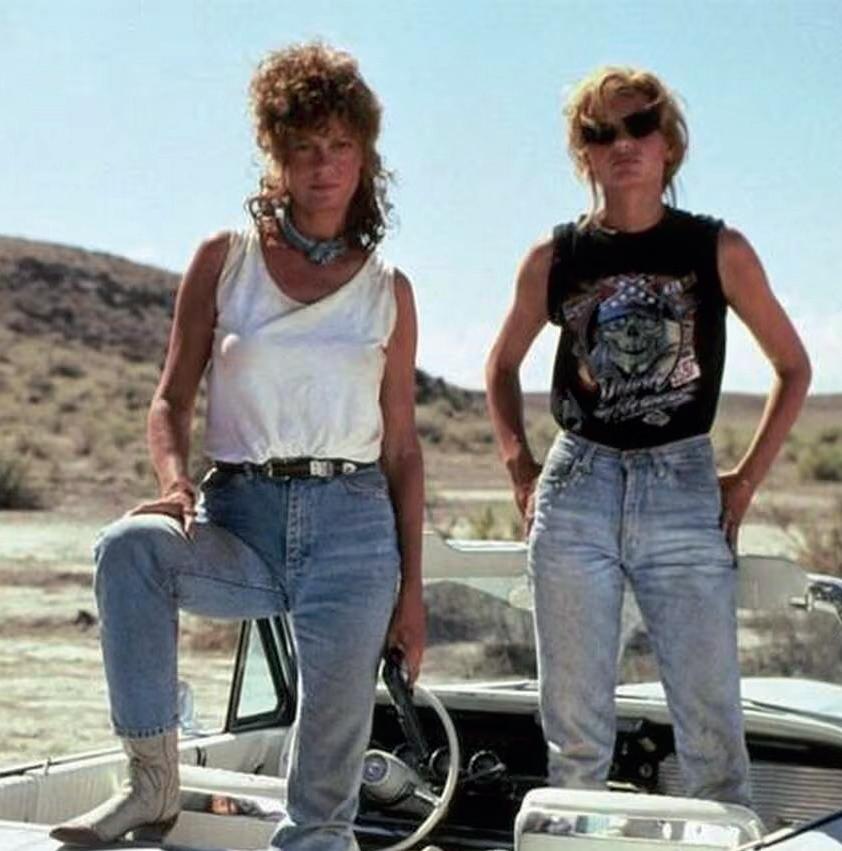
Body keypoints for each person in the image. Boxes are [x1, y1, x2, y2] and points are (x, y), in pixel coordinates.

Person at [51, 41, 425, 850]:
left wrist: (414, 592)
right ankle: (151, 784)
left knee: (322, 804)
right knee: (129, 549)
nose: (324, 165)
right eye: (305, 146)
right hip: (241, 518)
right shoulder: (225, 261)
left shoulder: (387, 290)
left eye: (341, 145)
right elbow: (170, 397)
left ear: (364, 157)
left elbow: (402, 448)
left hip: (355, 532)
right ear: (276, 155)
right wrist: (174, 480)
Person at [485, 66, 810, 806]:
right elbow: (501, 366)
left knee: (712, 735)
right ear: (584, 153)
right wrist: (519, 469)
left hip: (682, 487)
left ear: (669, 145)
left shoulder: (718, 249)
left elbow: (794, 367)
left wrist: (745, 482)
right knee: (575, 741)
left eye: (639, 126)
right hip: (578, 487)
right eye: (601, 133)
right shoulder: (555, 257)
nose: (622, 144)